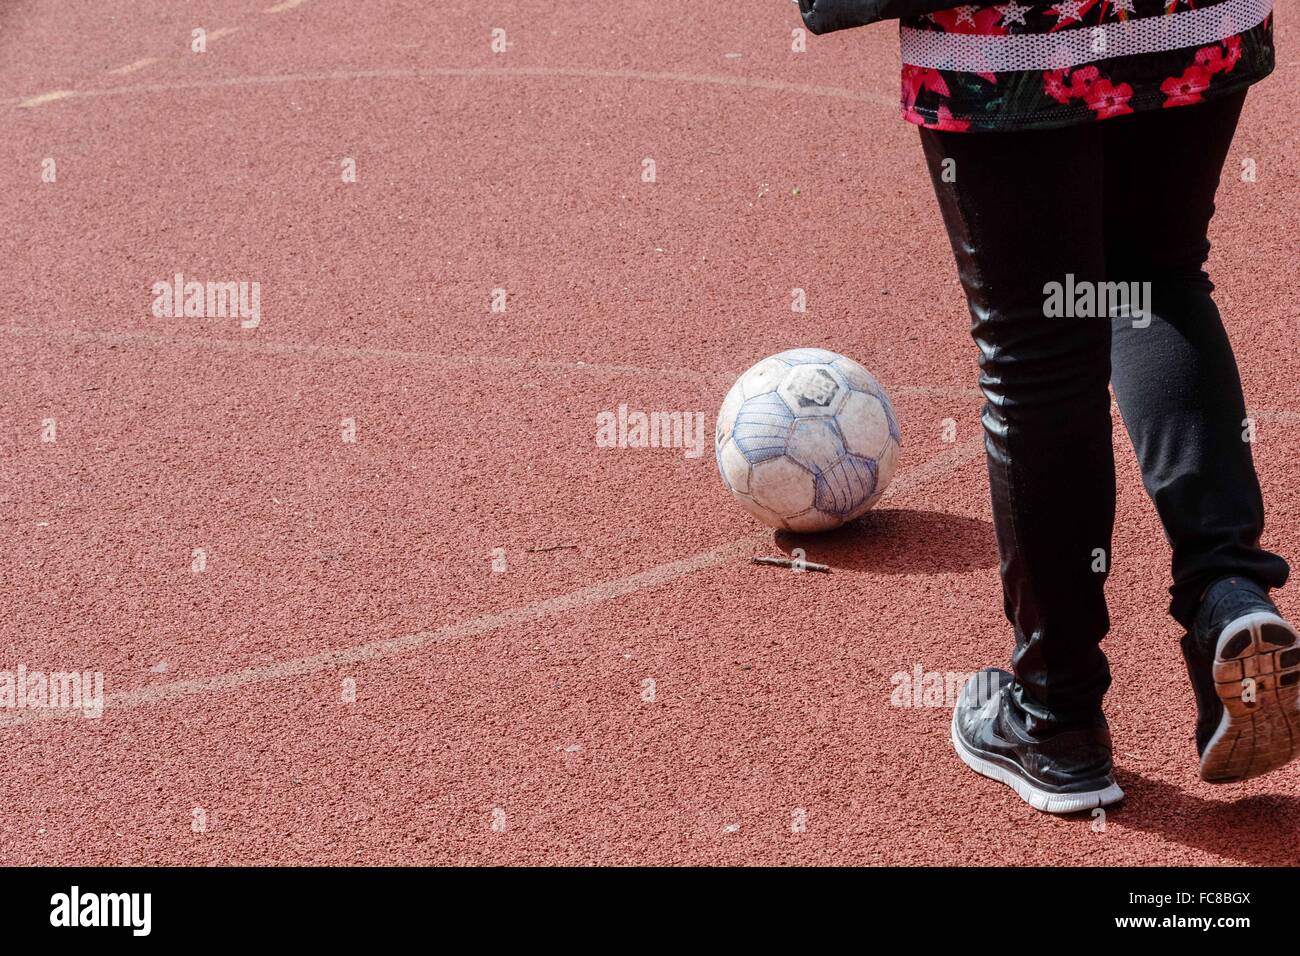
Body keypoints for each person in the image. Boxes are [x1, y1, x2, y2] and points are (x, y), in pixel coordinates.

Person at [899, 0, 1297, 812]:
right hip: (1188, 14)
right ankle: (1229, 590)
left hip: (1013, 30)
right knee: (1152, 281)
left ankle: (1057, 719)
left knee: (1036, 347)